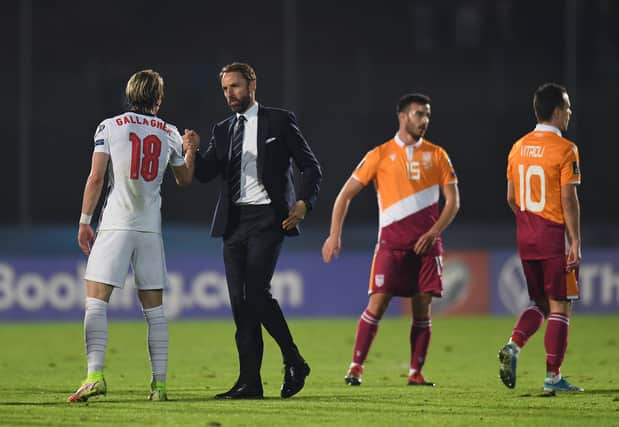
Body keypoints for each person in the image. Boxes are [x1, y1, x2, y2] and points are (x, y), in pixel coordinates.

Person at [185, 62, 322, 399]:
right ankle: (250, 383)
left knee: (256, 293)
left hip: (269, 219)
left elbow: (310, 167)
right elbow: (205, 173)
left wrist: (303, 202)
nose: (230, 94)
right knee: (240, 305)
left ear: (252, 85)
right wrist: (192, 149)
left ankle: (294, 359)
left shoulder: (279, 120)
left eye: (235, 86)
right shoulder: (221, 129)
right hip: (233, 224)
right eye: (225, 89)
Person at [67, 69, 197, 403]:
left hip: (116, 224)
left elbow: (96, 178)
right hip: (150, 228)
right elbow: (184, 179)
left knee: (96, 303)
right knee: (154, 311)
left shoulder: (109, 126)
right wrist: (190, 148)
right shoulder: (169, 131)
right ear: (158, 98)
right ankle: (160, 386)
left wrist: (84, 220)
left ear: (129, 94)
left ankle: (95, 375)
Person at [322, 93, 460, 387]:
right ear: (402, 117)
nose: (424, 121)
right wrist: (335, 234)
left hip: (427, 247)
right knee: (377, 305)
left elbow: (453, 202)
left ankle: (416, 373)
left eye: (427, 116)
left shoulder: (438, 155)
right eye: (419, 114)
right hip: (391, 246)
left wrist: (433, 232)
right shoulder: (380, 154)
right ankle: (356, 367)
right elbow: (344, 195)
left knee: (423, 309)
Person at [498, 82, 583, 393]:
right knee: (561, 306)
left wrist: (528, 221)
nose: (570, 113)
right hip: (553, 236)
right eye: (568, 108)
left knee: (539, 302)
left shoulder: (517, 147)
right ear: (557, 112)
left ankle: (514, 344)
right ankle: (553, 377)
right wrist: (574, 240)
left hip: (526, 235)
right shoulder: (565, 149)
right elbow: (568, 199)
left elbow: (510, 196)